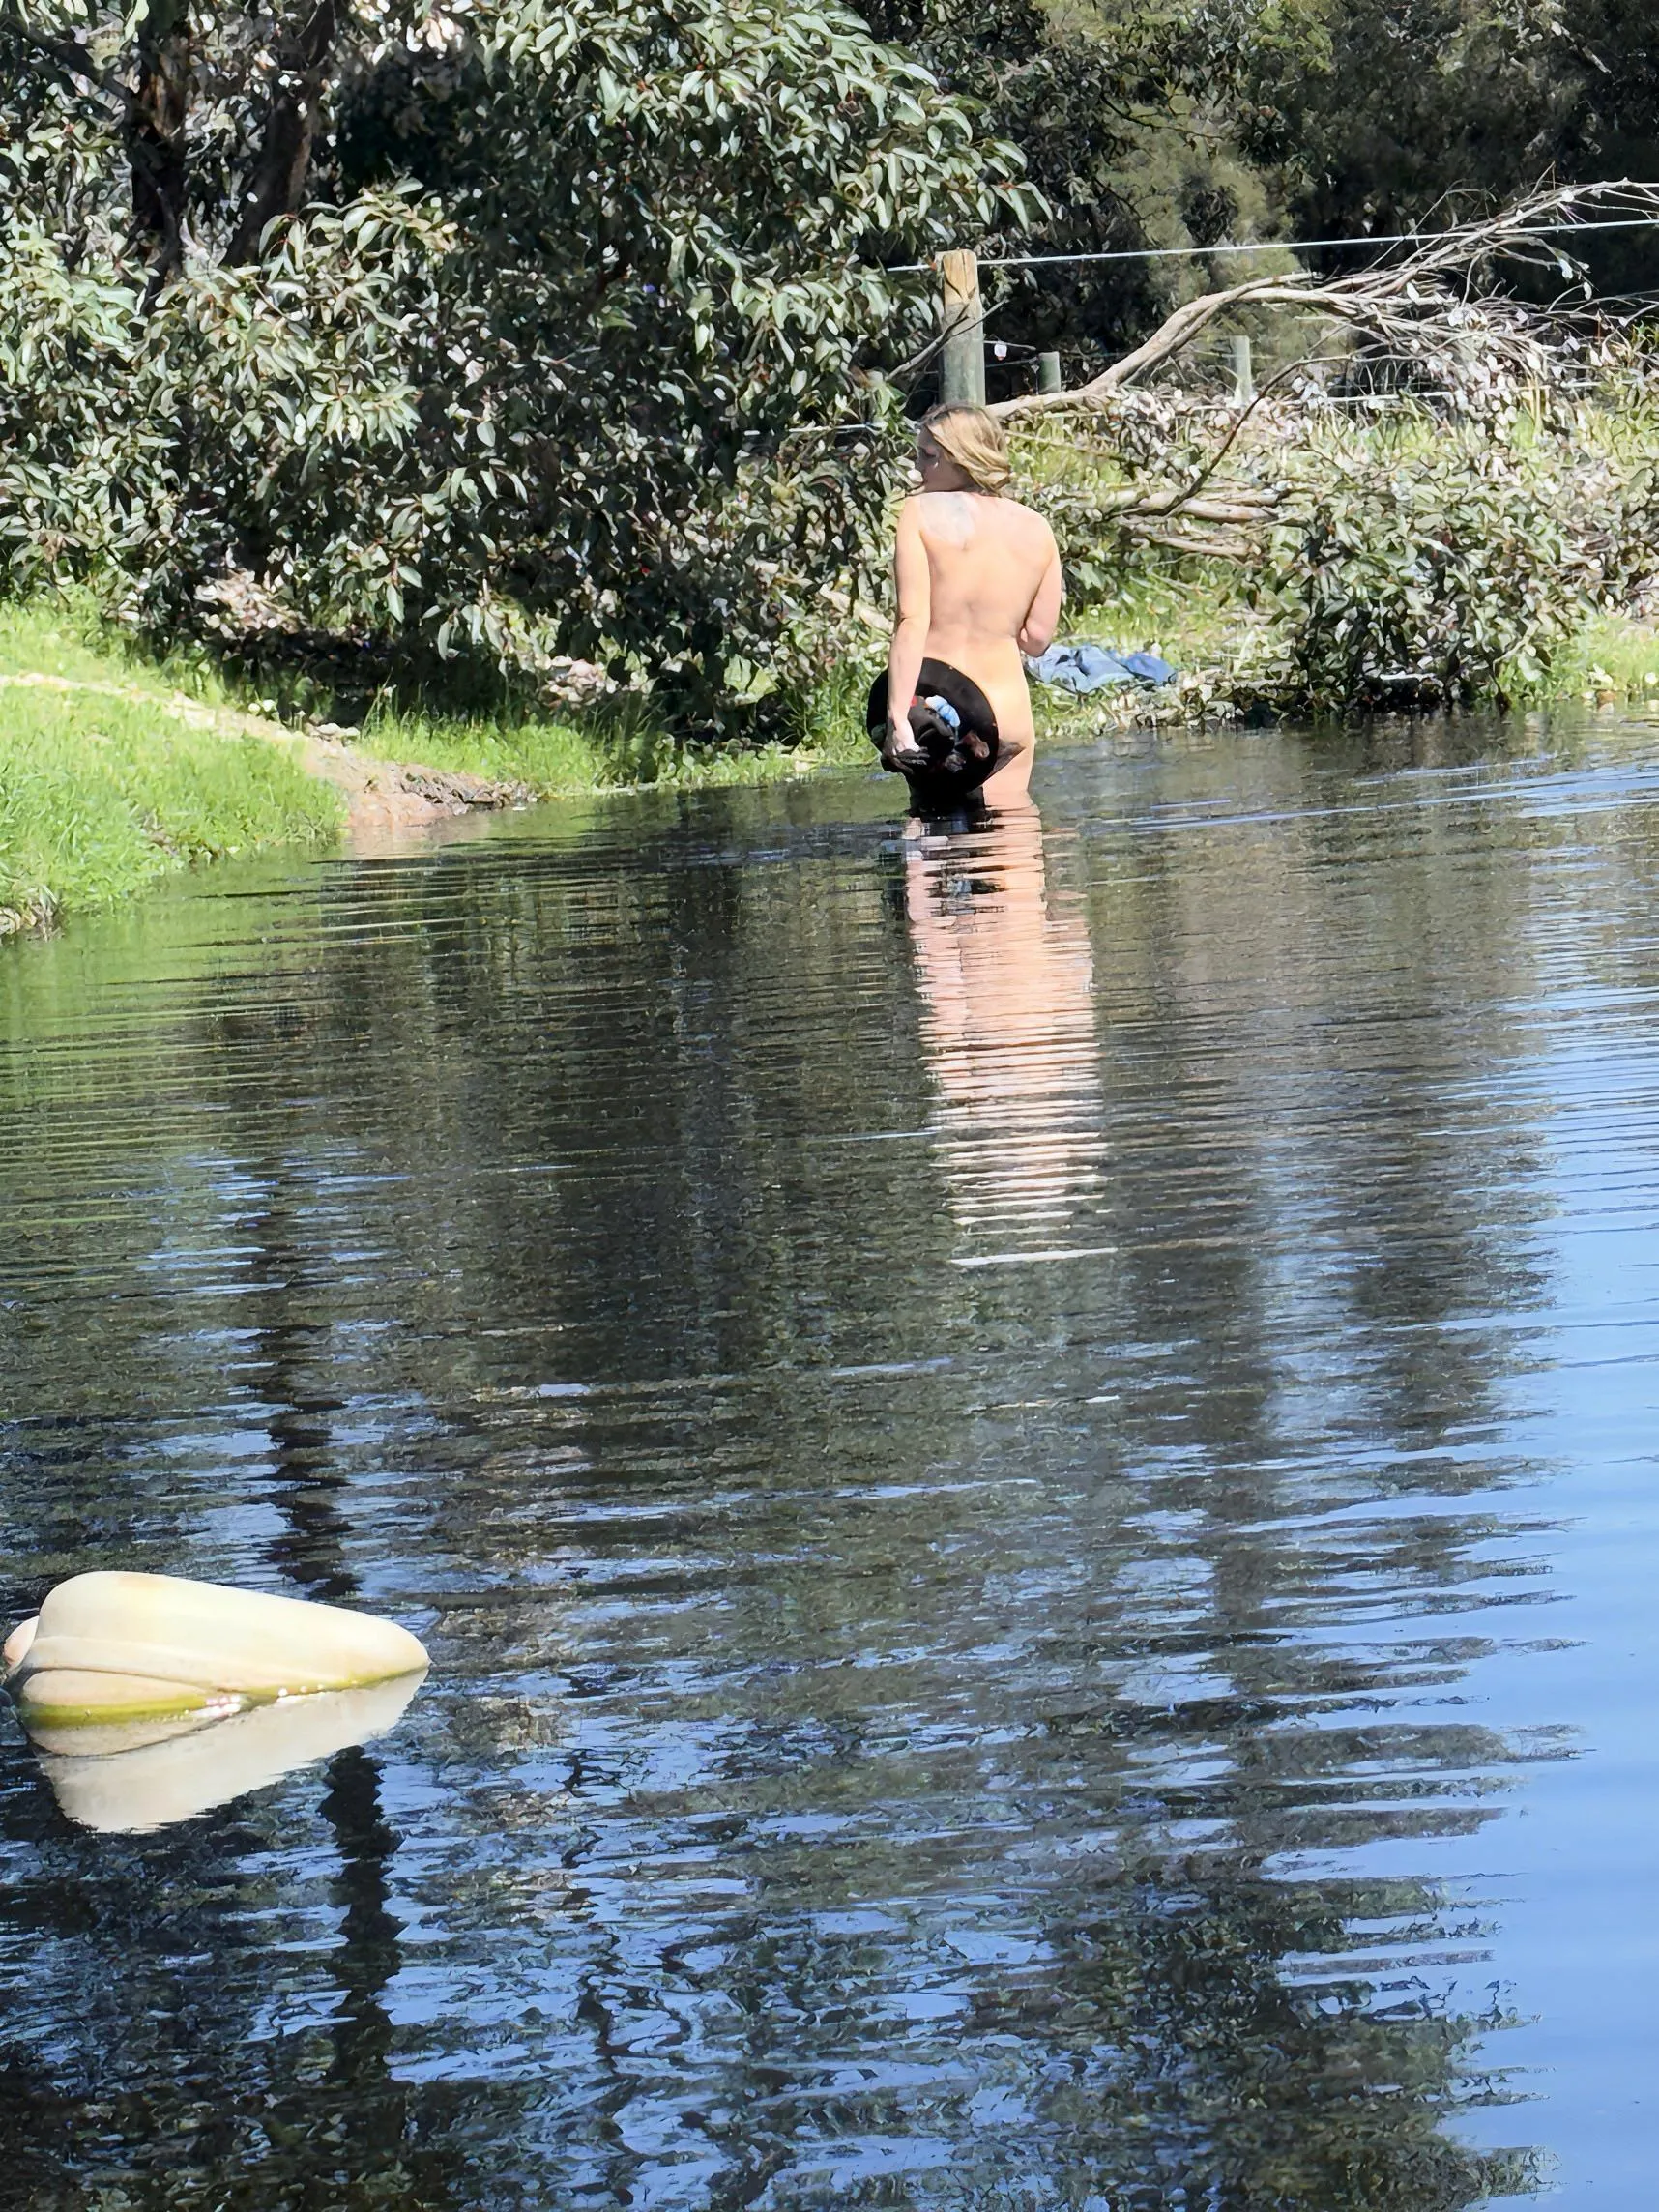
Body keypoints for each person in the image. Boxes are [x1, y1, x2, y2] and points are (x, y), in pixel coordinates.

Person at [883, 403, 1063, 806]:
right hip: (1006, 712)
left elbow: (912, 620)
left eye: (928, 456)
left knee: (932, 851)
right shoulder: (1037, 527)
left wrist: (897, 718)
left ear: (965, 458)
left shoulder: (918, 514)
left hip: (938, 711)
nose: (918, 469)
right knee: (1012, 849)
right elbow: (1036, 639)